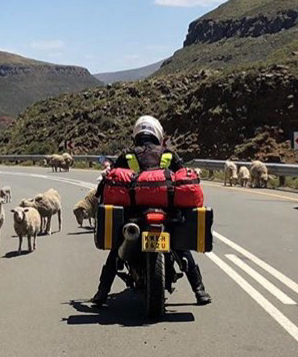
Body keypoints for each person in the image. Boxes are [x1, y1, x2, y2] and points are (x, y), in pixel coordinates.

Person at [91, 115, 212, 306]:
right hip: (166, 210)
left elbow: (111, 178)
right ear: (157, 134)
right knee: (180, 247)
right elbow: (182, 175)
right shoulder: (168, 154)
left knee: (116, 249)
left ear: (136, 134)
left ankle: (101, 293)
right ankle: (199, 290)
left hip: (135, 212)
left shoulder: (128, 155)